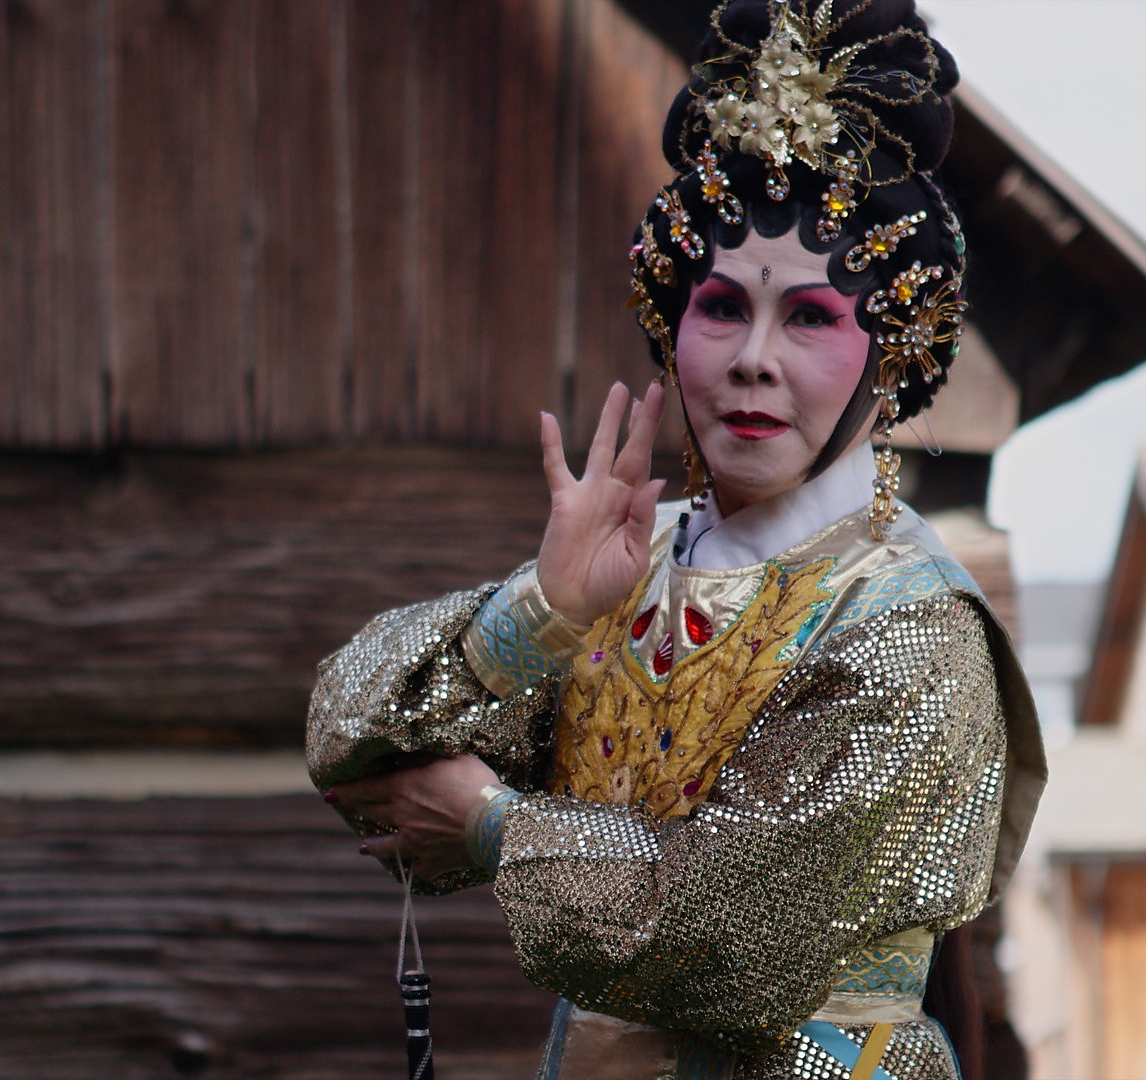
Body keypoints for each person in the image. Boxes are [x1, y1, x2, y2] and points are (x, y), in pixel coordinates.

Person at [307, 2, 1045, 1077]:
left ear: (894, 355)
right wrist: (539, 615)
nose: (753, 360)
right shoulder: (629, 566)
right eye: (718, 309)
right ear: (668, 325)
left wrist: (494, 830)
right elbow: (348, 741)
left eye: (808, 318)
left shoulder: (913, 625)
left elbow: (734, 944)